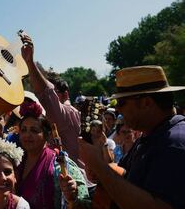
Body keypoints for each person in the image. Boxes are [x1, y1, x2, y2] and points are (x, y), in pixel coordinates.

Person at [78, 65, 185, 209]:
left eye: (122, 102)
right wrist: (99, 157)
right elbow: (123, 174)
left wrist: (98, 165)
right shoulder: (150, 136)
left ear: (146, 103)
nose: (117, 109)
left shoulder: (175, 143)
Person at [20, 35, 82, 167]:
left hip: (72, 181)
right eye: (24, 130)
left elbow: (47, 96)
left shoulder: (69, 112)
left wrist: (30, 62)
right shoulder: (47, 118)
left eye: (55, 94)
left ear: (65, 94)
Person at [16, 101, 90, 209]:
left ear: (47, 135)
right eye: (23, 130)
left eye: (34, 130)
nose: (27, 135)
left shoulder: (61, 164)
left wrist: (73, 197)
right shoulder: (16, 161)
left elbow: (85, 203)